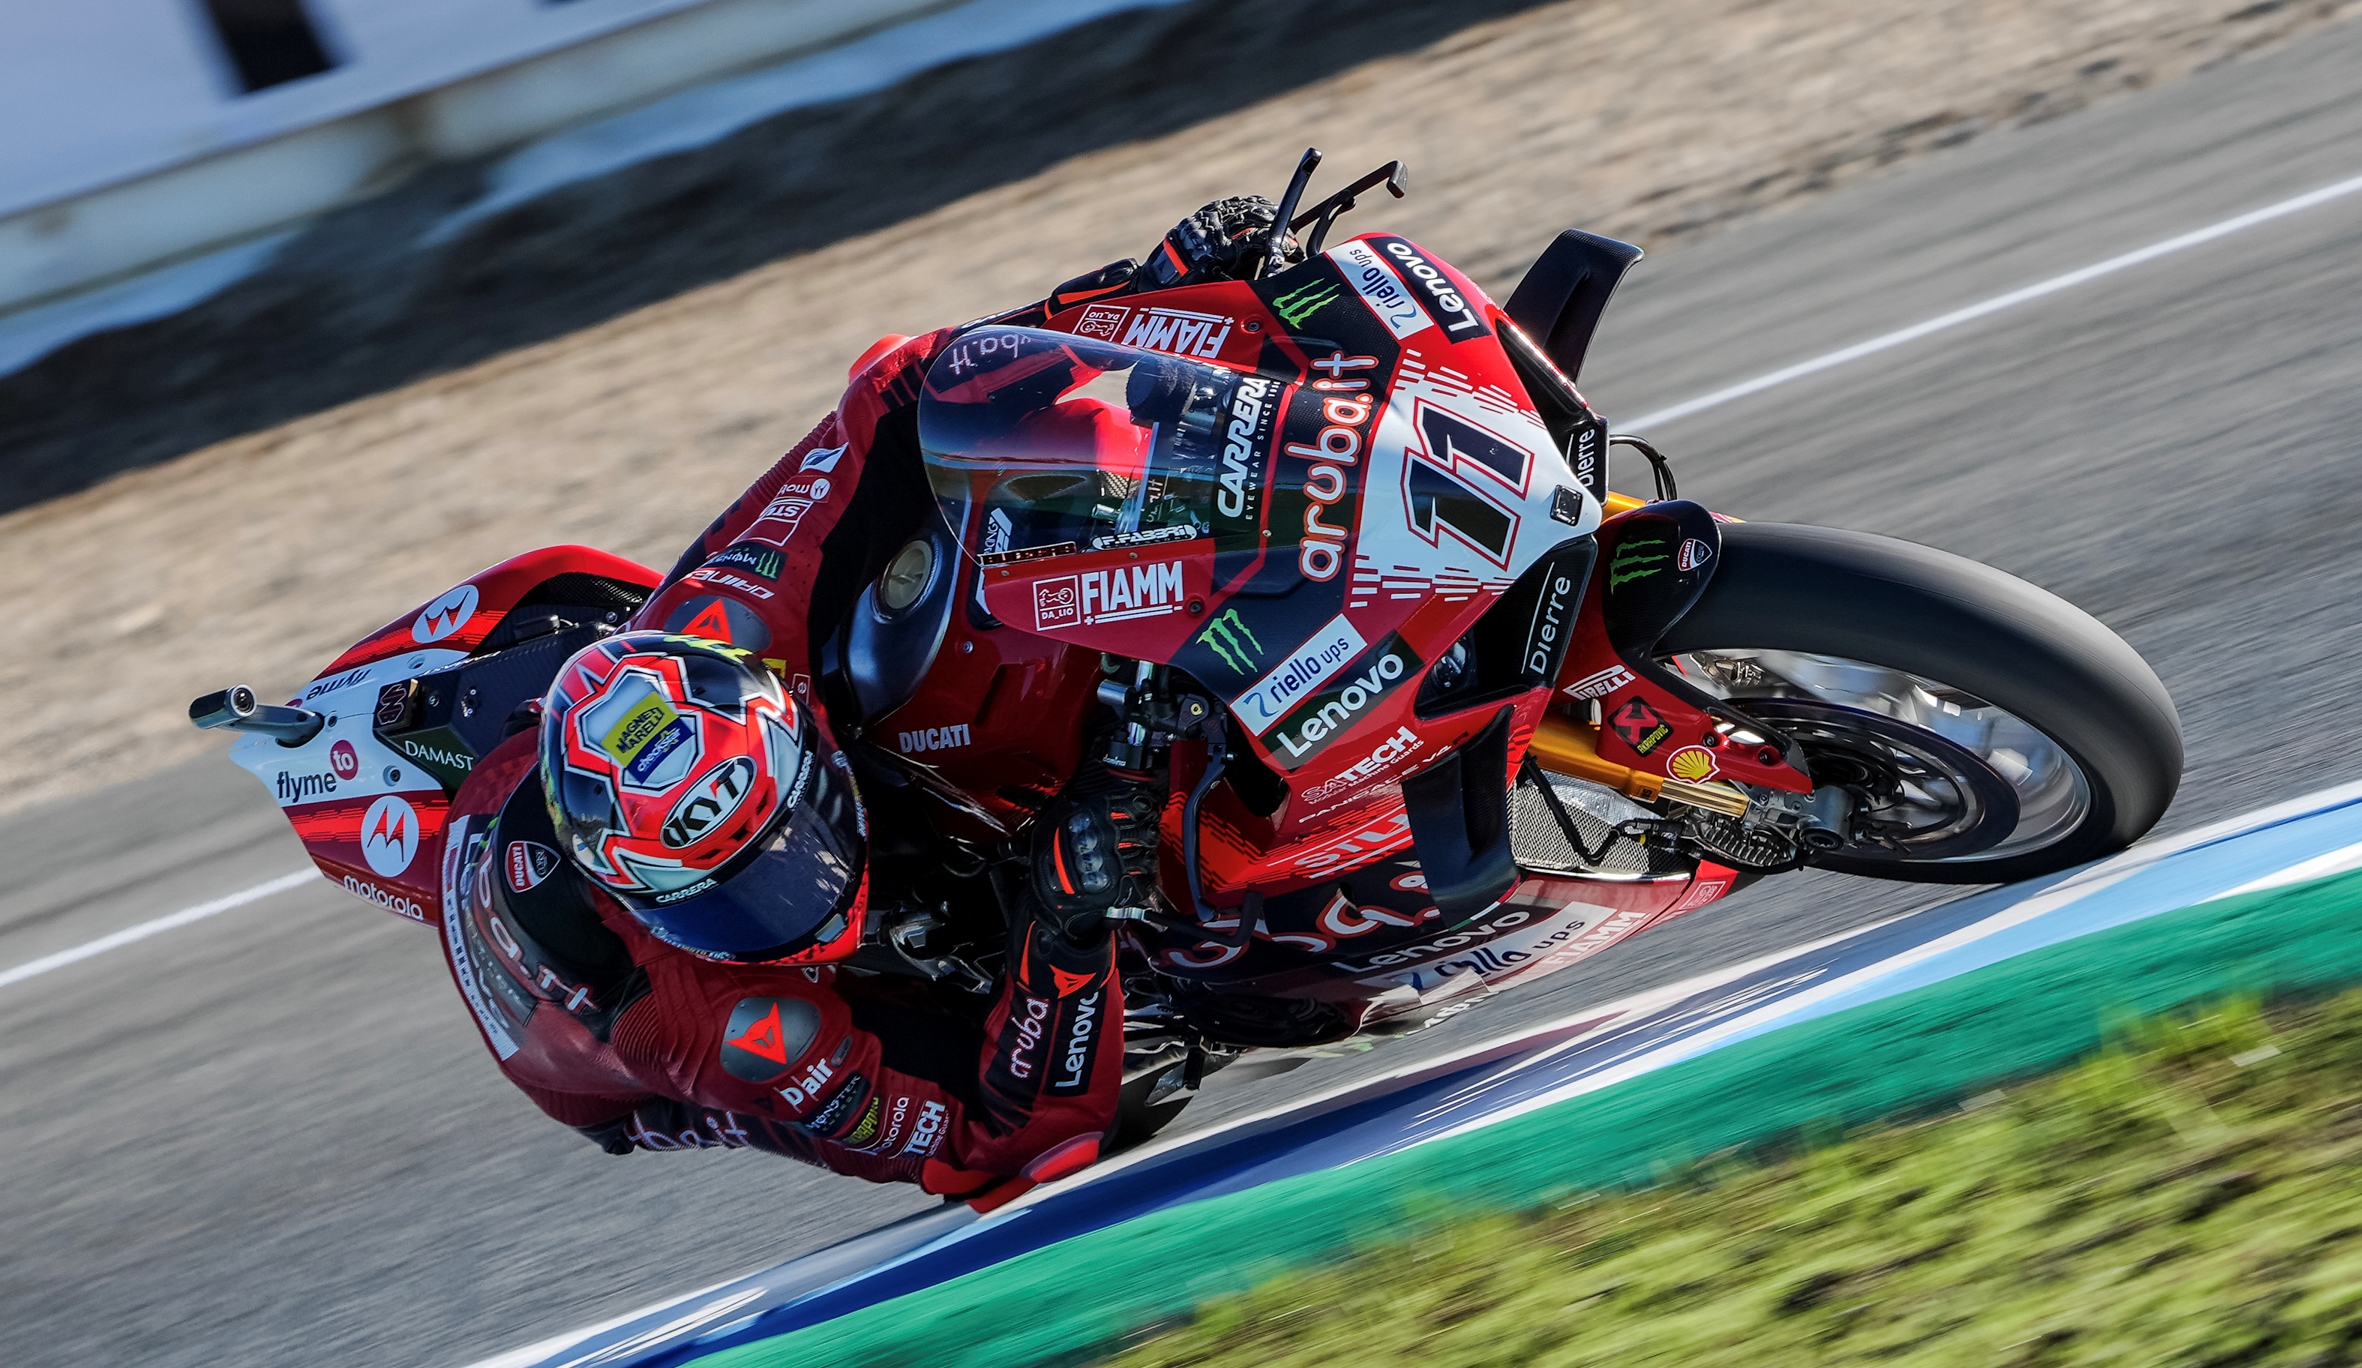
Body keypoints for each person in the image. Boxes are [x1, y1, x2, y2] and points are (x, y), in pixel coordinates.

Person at [432, 198, 1287, 1205]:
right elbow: (996, 1144)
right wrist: (1064, 924)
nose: (804, 892)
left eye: (789, 837)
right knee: (1071, 1083)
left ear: (777, 711)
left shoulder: (737, 618)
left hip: (558, 742)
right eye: (741, 893)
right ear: (651, 900)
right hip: (608, 1064)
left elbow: (904, 384)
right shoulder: (714, 1022)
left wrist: (1141, 291)